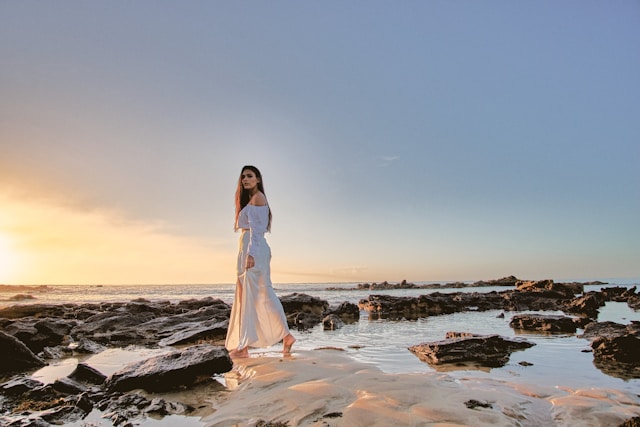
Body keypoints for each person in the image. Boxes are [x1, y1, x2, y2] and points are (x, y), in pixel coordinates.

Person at [225, 165, 296, 358]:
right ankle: (280, 337)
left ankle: (245, 346)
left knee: (257, 293)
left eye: (249, 176)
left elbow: (257, 231)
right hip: (248, 248)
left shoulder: (258, 198)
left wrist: (251, 254)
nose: (245, 179)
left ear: (258, 179)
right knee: (249, 293)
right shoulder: (251, 201)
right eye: (243, 177)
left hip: (253, 249)